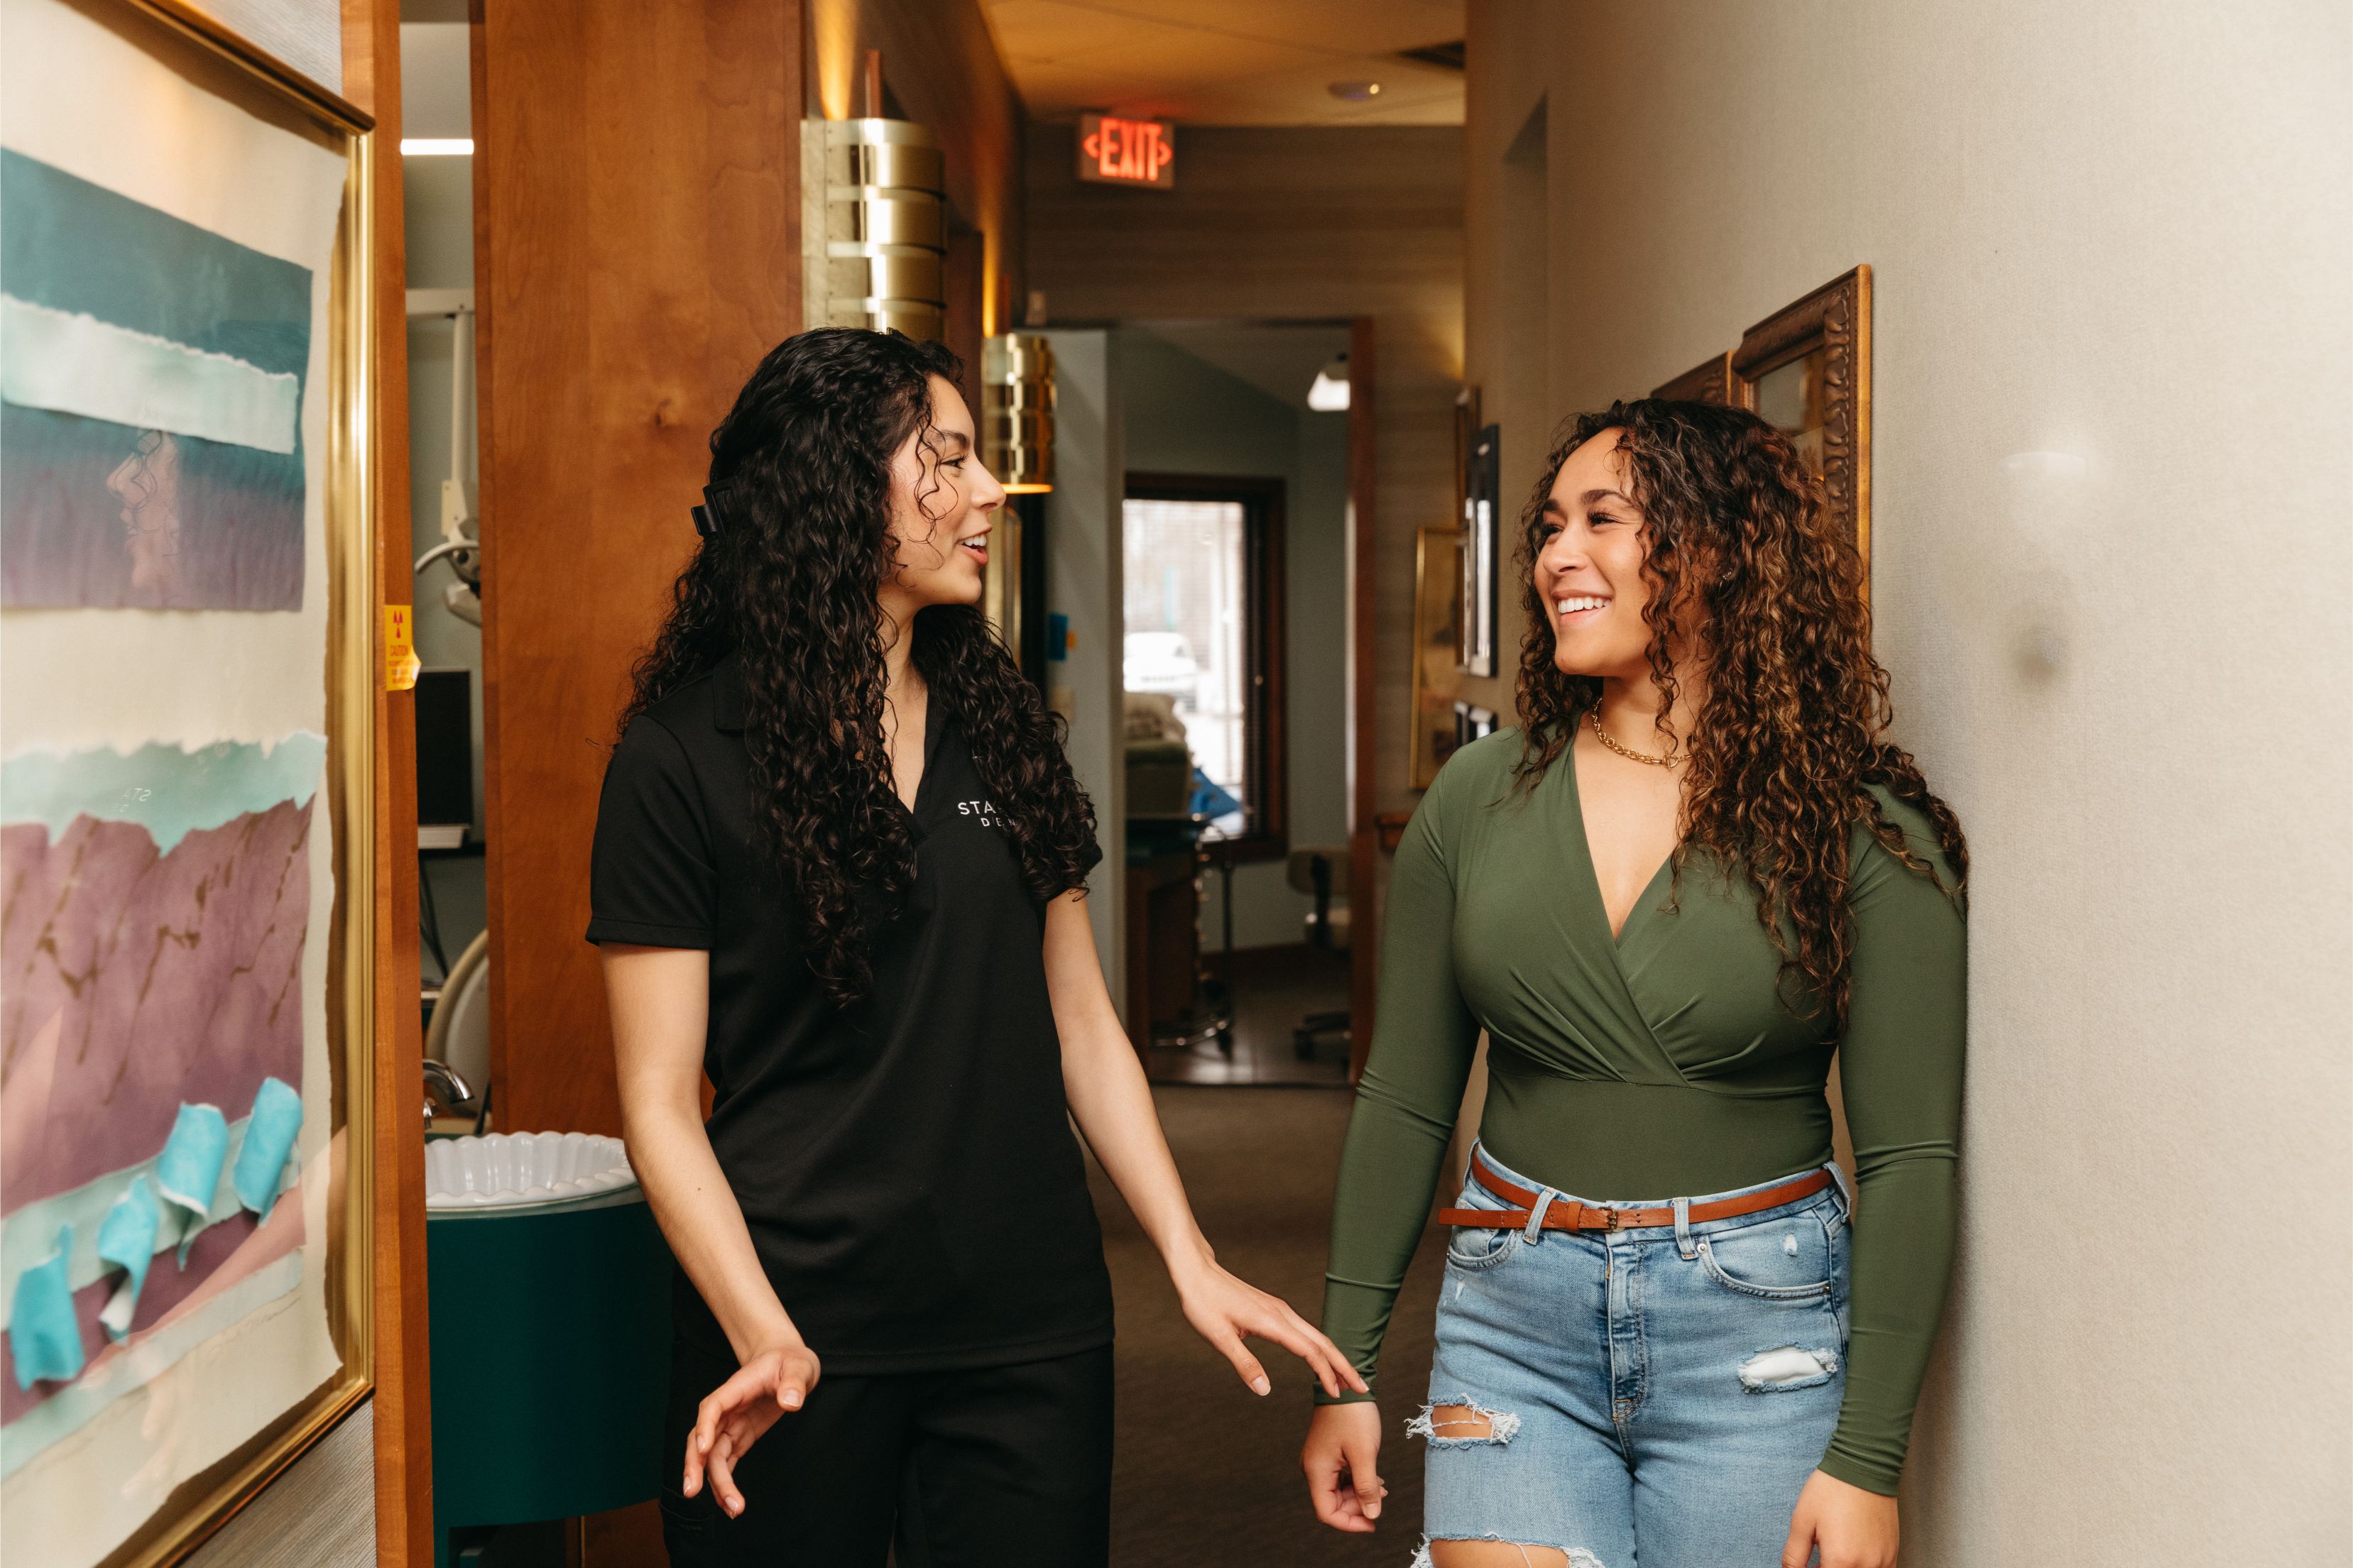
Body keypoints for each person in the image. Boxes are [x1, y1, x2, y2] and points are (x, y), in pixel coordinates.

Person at [591, 327, 1361, 1567]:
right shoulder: (680, 756)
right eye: (943, 460)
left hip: (1026, 1322)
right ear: (835, 489)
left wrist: (1188, 1252)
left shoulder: (1002, 727)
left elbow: (1081, 1024)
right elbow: (658, 1101)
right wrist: (761, 1330)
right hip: (788, 1323)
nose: (988, 490)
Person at [1300, 400, 1967, 1568]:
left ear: (1712, 550)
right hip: (1510, 1314)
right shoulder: (1477, 795)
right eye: (1551, 526)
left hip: (1755, 1335)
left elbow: (1912, 1159)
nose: (1557, 555)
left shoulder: (1859, 831)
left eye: (1600, 520)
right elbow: (1404, 1095)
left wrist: (1865, 1457)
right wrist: (1347, 1368)